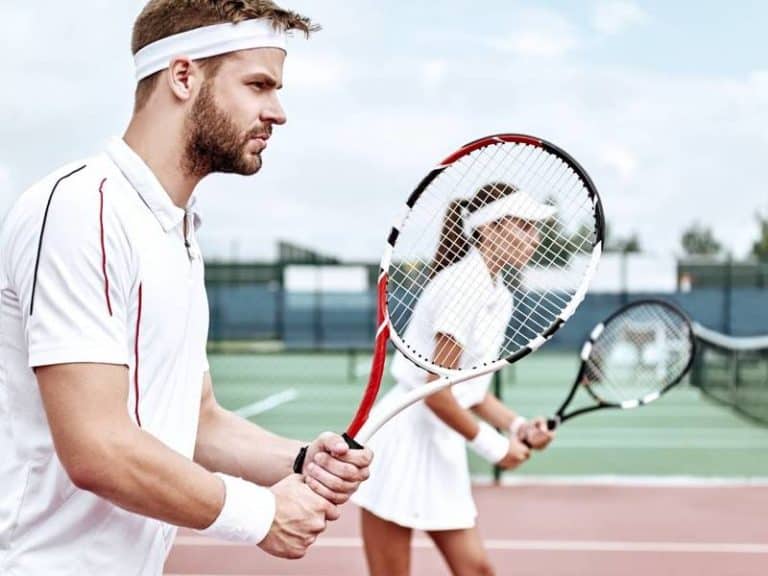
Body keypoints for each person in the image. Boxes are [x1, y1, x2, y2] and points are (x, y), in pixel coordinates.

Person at [0, 2, 372, 575]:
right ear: (182, 76)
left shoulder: (176, 229)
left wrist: (299, 459)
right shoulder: (83, 209)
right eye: (258, 85)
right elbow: (97, 446)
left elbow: (197, 422)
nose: (278, 112)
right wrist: (262, 514)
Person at [352, 182, 557, 576]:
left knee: (476, 570)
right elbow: (435, 393)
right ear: (490, 228)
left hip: (440, 443)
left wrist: (517, 426)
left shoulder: (499, 294)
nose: (534, 238)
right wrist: (495, 448)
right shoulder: (462, 286)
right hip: (404, 440)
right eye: (524, 226)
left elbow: (469, 392)